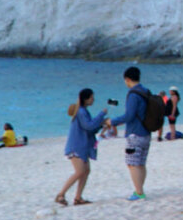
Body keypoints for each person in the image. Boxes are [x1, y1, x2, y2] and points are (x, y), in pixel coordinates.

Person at [56, 88, 108, 206]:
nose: (93, 99)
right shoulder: (81, 112)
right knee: (80, 171)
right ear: (86, 99)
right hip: (76, 146)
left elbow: (90, 128)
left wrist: (101, 125)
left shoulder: (84, 111)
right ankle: (61, 194)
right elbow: (88, 126)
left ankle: (78, 197)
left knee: (86, 171)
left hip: (82, 146)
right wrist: (101, 115)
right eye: (92, 97)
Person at [108, 66, 153, 201]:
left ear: (127, 79)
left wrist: (113, 121)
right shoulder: (146, 91)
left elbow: (129, 115)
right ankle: (140, 190)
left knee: (132, 163)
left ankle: (139, 192)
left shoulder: (133, 94)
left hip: (135, 133)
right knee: (141, 163)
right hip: (146, 132)